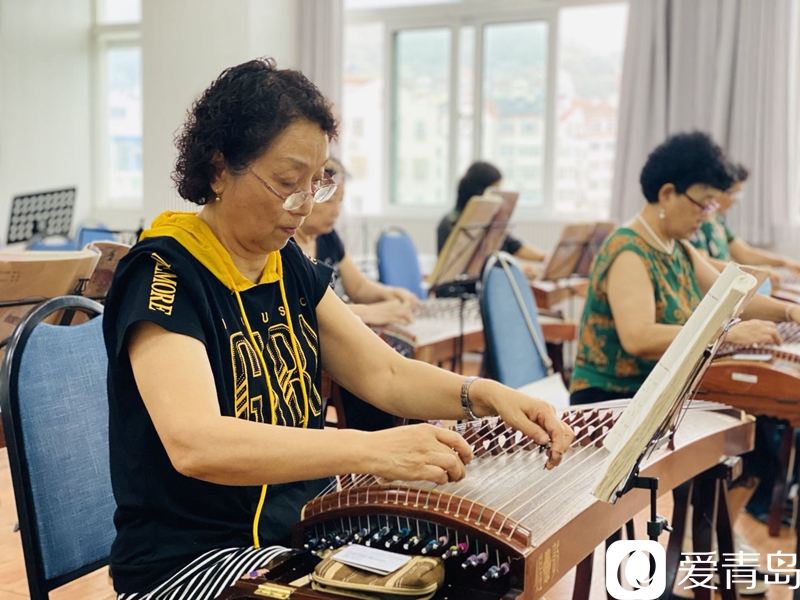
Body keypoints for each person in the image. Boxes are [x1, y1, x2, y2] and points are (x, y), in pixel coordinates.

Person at [103, 57, 574, 600]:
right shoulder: (165, 272)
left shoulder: (287, 266)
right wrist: (368, 450)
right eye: (286, 183)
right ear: (217, 169)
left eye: (316, 182)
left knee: (471, 580)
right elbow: (196, 443)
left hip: (295, 534)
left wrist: (485, 394)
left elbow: (385, 372)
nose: (303, 207)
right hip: (191, 561)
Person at [570, 132, 800, 406]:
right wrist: (727, 333)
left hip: (661, 390)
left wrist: (790, 312)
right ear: (667, 194)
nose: (707, 216)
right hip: (615, 400)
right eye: (703, 204)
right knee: (756, 410)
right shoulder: (628, 250)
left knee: (762, 404)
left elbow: (733, 297)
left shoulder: (677, 246)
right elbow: (639, 338)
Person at [294, 157, 418, 327]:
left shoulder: (327, 237)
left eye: (340, 200)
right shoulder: (286, 249)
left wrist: (390, 294)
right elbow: (307, 312)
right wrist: (367, 312)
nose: (337, 211)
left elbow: (358, 287)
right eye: (329, 200)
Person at [690, 162, 800, 277]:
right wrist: (751, 273)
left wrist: (783, 262)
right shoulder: (699, 222)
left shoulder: (717, 220)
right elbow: (702, 264)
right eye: (733, 194)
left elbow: (745, 253)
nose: (735, 200)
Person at [437, 161, 547, 273]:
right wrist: (516, 270)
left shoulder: (489, 222)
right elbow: (474, 267)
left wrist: (546, 259)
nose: (498, 197)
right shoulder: (450, 224)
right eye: (495, 191)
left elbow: (514, 246)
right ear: (480, 191)